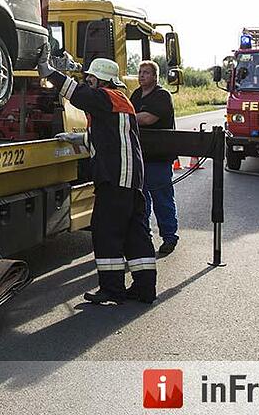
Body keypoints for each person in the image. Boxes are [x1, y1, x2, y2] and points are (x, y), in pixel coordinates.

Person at [39, 55, 157, 305]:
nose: (87, 80)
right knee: (135, 233)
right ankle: (145, 289)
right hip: (130, 179)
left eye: (90, 77)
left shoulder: (107, 97)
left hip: (115, 179)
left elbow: (79, 95)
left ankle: (112, 290)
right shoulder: (118, 103)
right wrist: (77, 139)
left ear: (99, 80)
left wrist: (49, 72)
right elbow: (108, 139)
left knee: (106, 231)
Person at [130, 60, 178, 256]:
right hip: (140, 156)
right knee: (142, 202)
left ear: (155, 77)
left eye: (146, 73)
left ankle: (169, 237)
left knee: (162, 199)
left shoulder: (162, 95)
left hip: (159, 158)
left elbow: (148, 119)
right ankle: (144, 238)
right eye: (140, 72)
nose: (142, 76)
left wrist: (127, 115)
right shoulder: (136, 95)